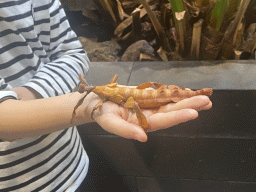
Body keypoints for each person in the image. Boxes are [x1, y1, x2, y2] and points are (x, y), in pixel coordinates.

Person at [0, 0, 212, 191]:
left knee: (144, 97)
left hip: (73, 163)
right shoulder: (99, 97)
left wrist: (30, 95)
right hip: (20, 180)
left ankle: (189, 93)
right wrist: (84, 105)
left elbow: (72, 53)